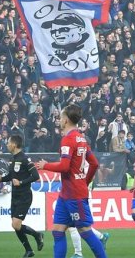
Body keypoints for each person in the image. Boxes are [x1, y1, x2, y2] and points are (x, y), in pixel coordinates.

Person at [35, 104, 107, 258]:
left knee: (84, 230)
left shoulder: (68, 139)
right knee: (58, 230)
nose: (59, 120)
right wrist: (84, 182)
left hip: (74, 194)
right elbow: (94, 163)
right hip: (66, 194)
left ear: (66, 120)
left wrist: (45, 165)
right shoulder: (81, 138)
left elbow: (64, 166)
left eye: (61, 117)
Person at [0, 134, 44, 258]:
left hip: (24, 196)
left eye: (8, 142)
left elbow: (35, 176)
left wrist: (21, 182)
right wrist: (1, 179)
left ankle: (37, 235)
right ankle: (29, 250)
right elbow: (12, 177)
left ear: (14, 144)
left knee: (16, 224)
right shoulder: (13, 159)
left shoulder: (25, 159)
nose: (7, 145)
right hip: (15, 196)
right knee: (14, 225)